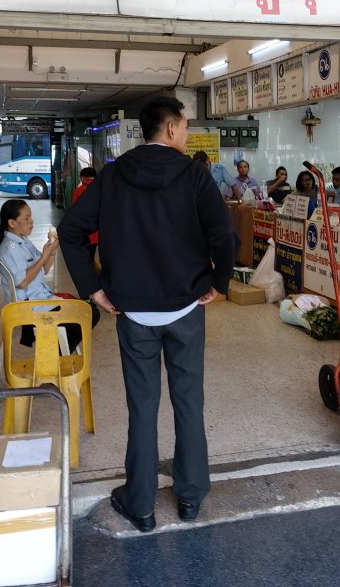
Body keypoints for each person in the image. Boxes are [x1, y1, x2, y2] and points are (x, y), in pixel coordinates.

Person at [58, 97, 236, 532]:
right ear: (172, 128)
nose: (187, 132)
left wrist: (93, 289)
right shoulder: (194, 175)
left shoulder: (114, 174)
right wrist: (219, 282)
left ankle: (140, 505)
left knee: (142, 407)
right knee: (188, 402)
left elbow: (71, 230)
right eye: (187, 125)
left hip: (133, 312)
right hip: (185, 309)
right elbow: (224, 234)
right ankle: (191, 496)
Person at [0, 199, 95, 350]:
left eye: (31, 217)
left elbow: (44, 269)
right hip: (30, 306)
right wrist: (43, 257)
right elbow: (22, 282)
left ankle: (56, 349)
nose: (31, 221)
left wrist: (51, 252)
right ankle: (56, 352)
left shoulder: (24, 241)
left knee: (88, 310)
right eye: (26, 218)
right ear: (12, 223)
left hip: (40, 298)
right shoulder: (10, 248)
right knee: (88, 313)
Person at [70, 167, 99, 267]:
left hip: (84, 231)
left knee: (85, 257)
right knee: (93, 254)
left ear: (82, 177)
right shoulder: (102, 189)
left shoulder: (78, 191)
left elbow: (74, 211)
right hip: (98, 232)